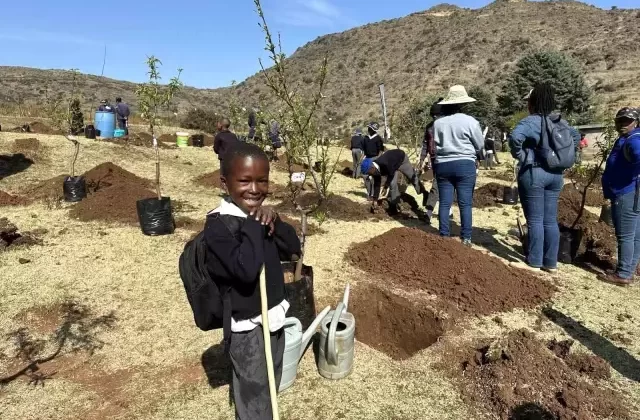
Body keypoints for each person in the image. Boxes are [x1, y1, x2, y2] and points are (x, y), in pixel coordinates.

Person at [204, 142, 300, 420]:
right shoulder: (219, 226)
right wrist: (252, 226)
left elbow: (293, 248)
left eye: (262, 181)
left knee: (271, 380)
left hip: (274, 318)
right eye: (245, 181)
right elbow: (245, 271)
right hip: (248, 329)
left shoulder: (261, 217)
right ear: (225, 183)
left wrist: (276, 221)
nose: (255, 189)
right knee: (254, 390)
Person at [508, 83, 580, 273]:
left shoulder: (531, 121)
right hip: (556, 176)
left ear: (532, 102)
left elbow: (515, 138)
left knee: (535, 220)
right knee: (550, 220)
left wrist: (522, 156)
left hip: (535, 173)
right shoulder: (560, 121)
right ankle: (550, 263)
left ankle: (534, 261)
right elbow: (575, 136)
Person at [433, 85, 485, 245]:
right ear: (463, 104)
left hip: (443, 165)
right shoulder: (471, 121)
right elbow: (479, 144)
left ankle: (443, 235)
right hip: (465, 164)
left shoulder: (438, 123)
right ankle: (466, 238)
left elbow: (436, 144)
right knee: (465, 203)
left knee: (444, 202)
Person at [599, 107, 640, 286]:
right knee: (636, 234)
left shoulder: (633, 140)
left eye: (627, 121)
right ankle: (628, 270)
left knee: (625, 235)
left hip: (626, 192)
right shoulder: (628, 138)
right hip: (633, 191)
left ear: (636, 122)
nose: (623, 124)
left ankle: (623, 274)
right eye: (620, 120)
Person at [361, 149, 426, 214]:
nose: (369, 175)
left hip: (401, 159)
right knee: (392, 184)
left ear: (372, 167)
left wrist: (386, 186)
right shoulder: (375, 172)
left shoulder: (384, 163)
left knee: (412, 178)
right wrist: (375, 201)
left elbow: (391, 174)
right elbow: (377, 185)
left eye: (369, 172)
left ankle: (424, 193)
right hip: (392, 166)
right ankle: (394, 206)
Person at [418, 98, 444, 224]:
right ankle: (442, 212)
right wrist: (422, 159)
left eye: (436, 115)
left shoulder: (447, 125)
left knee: (437, 185)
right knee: (439, 185)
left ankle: (429, 213)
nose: (435, 118)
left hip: (444, 158)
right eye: (433, 116)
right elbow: (425, 145)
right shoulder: (429, 127)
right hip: (434, 158)